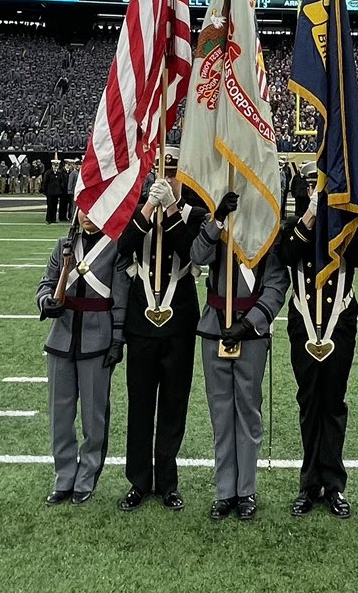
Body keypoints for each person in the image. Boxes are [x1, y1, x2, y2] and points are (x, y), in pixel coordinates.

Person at [189, 190, 287, 522]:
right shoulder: (218, 227)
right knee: (221, 414)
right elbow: (197, 255)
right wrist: (217, 218)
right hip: (214, 328)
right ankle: (224, 490)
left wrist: (250, 323)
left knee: (247, 412)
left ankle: (246, 490)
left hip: (251, 333)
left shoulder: (268, 236)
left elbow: (276, 286)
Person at [276, 163, 358, 519]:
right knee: (310, 404)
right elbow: (286, 257)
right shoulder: (294, 226)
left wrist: (337, 215)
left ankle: (335, 484)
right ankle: (310, 484)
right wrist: (310, 215)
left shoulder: (346, 228)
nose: (317, 190)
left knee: (334, 404)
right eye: (312, 185)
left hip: (338, 324)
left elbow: (357, 256)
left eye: (322, 185)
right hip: (304, 326)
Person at [115, 179, 201, 512]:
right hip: (141, 320)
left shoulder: (194, 215)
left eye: (176, 169)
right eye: (165, 168)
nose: (169, 175)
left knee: (173, 404)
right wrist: (150, 207)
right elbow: (124, 248)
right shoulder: (140, 212)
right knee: (140, 404)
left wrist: (171, 208)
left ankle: (167, 482)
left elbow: (190, 251)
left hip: (179, 320)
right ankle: (138, 480)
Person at [36, 207, 129, 506]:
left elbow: (120, 299)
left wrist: (116, 339)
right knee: (60, 416)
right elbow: (46, 284)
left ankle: (86, 477)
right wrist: (45, 301)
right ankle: (64, 476)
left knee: (94, 415)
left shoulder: (115, 247)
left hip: (97, 338)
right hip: (62, 337)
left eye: (93, 209)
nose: (87, 215)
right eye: (82, 210)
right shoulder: (62, 245)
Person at [43, 161, 69, 225]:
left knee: (55, 206)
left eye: (57, 165)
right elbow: (45, 182)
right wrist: (45, 192)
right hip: (50, 193)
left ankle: (53, 219)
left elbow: (62, 182)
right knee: (50, 206)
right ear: (52, 165)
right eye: (54, 165)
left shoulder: (59, 173)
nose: (55, 167)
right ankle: (49, 219)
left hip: (57, 193)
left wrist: (61, 191)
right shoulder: (48, 173)